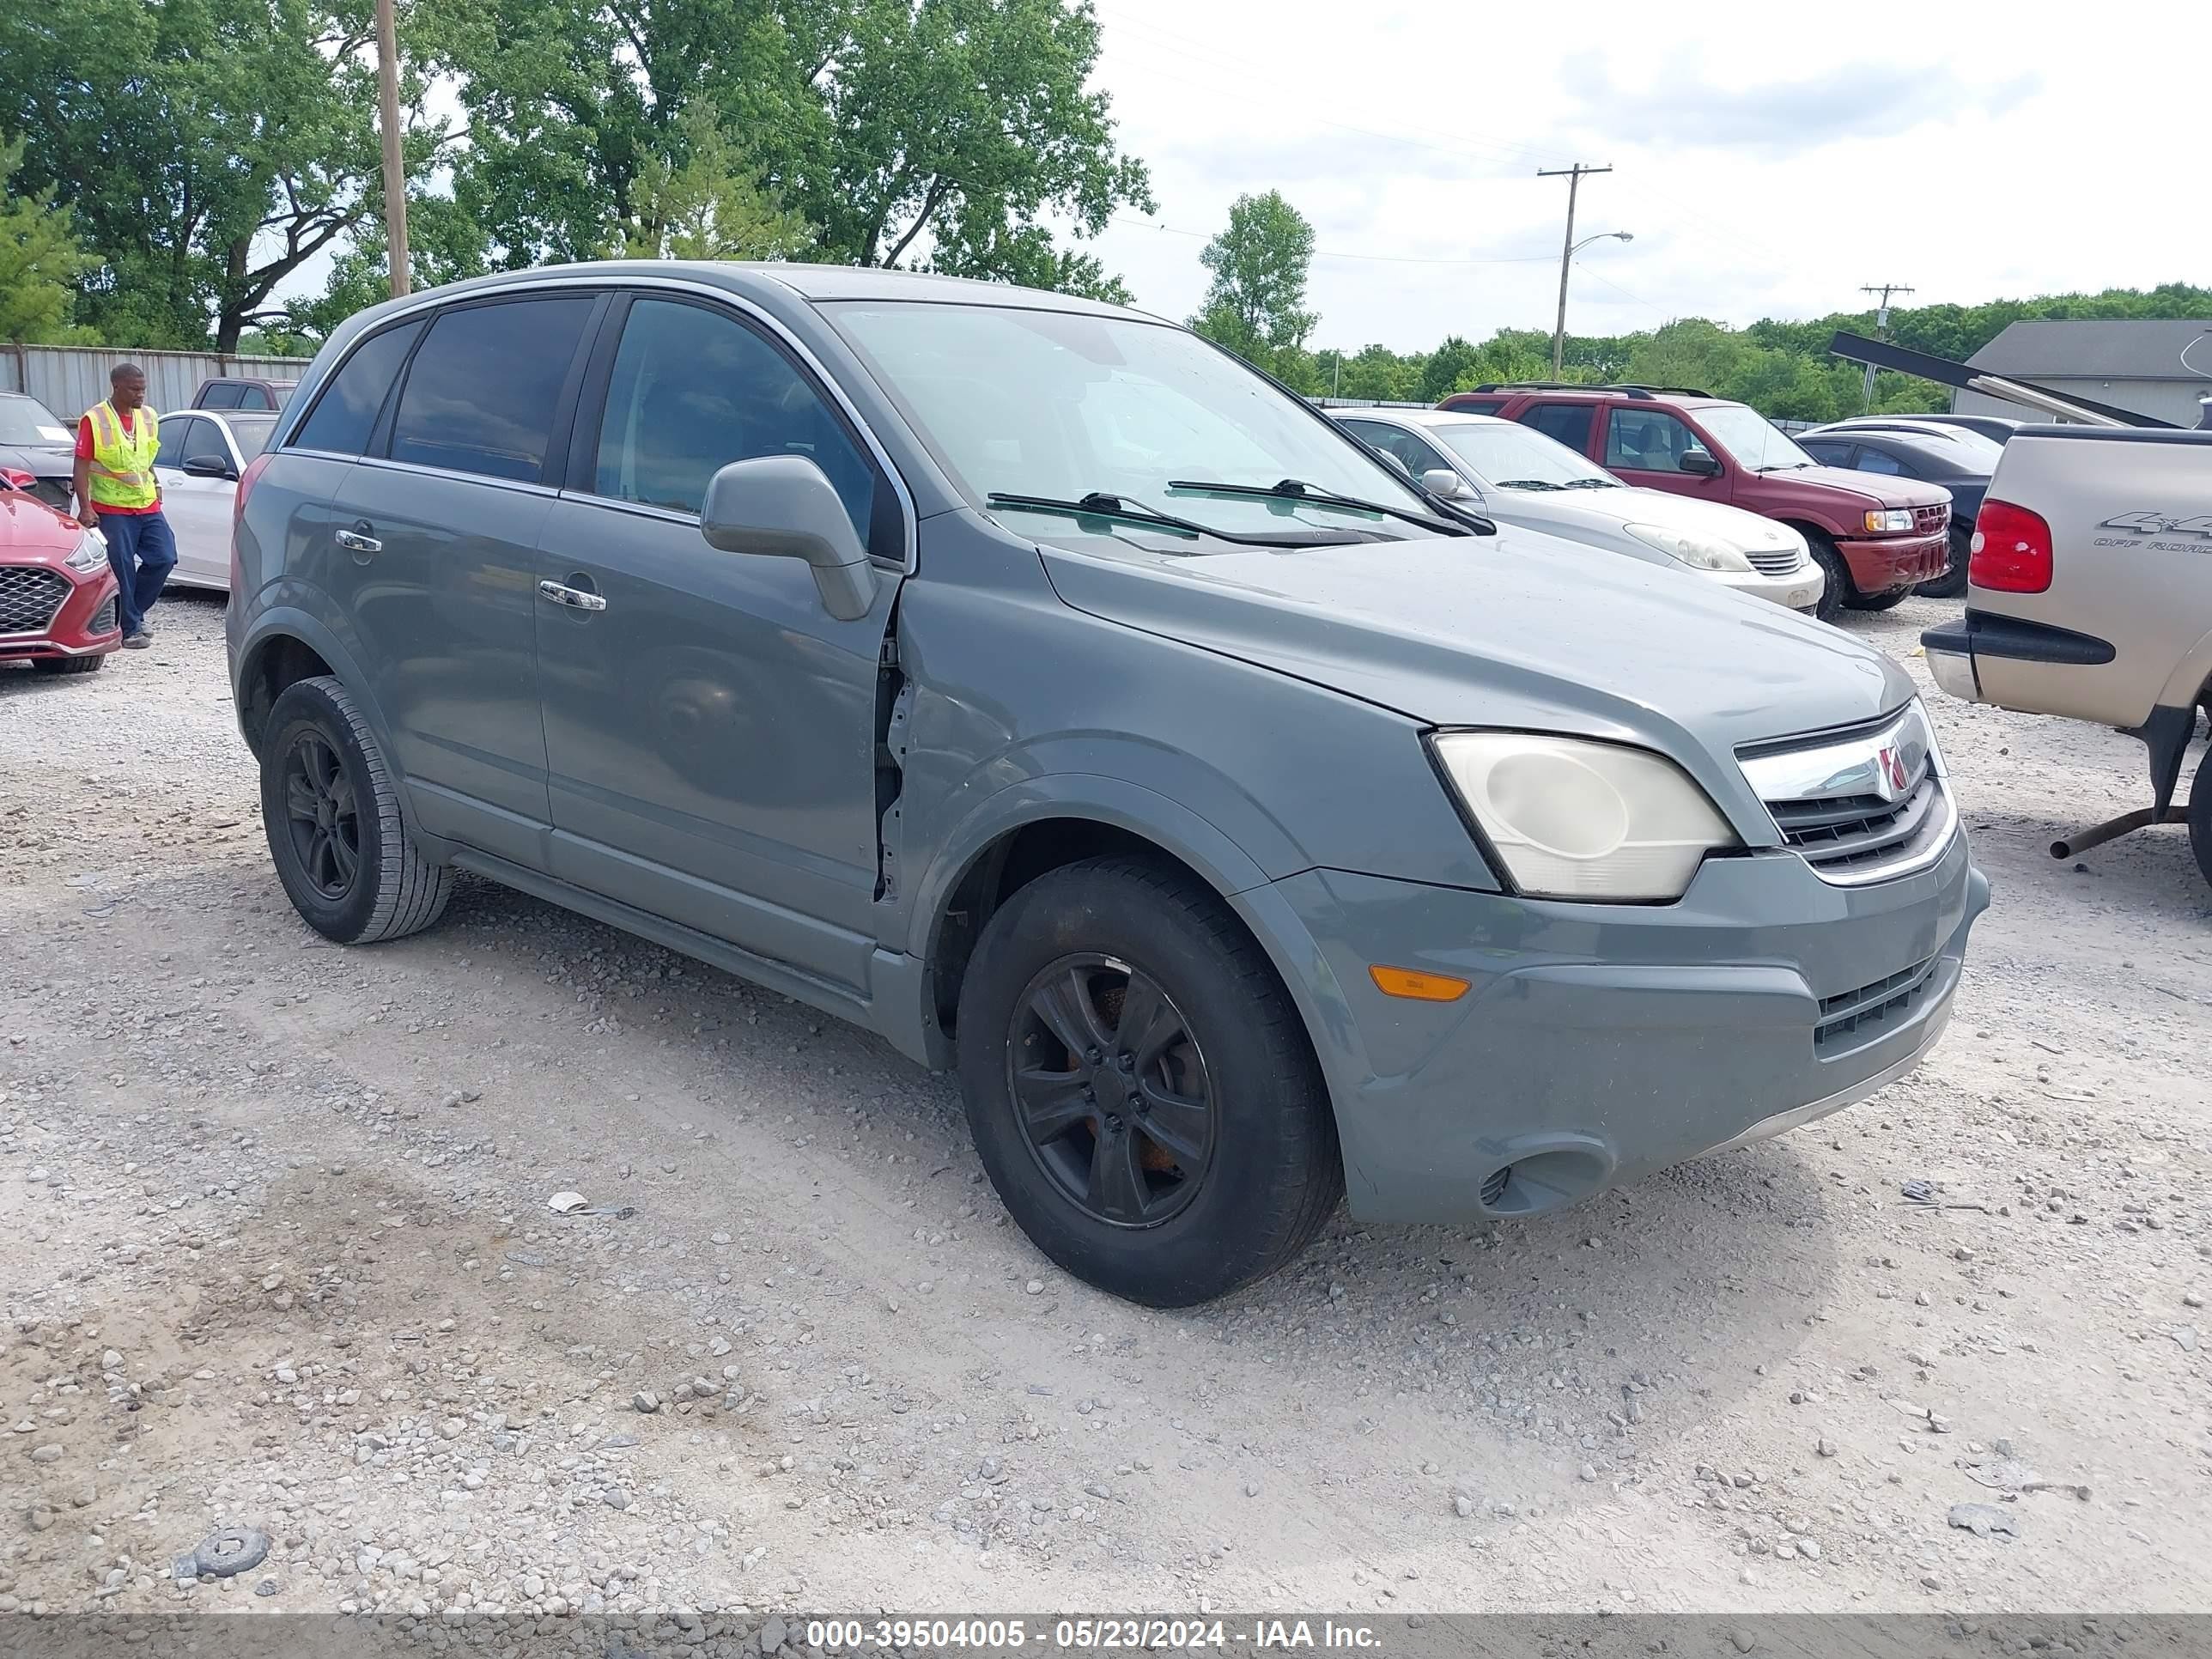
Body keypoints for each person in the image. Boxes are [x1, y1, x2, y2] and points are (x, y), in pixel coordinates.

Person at [73, 362, 176, 649]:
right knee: (122, 567)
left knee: (164, 558)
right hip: (111, 507)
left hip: (147, 505)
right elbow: (80, 465)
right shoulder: (94, 419)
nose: (140, 394)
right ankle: (129, 628)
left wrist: (155, 486)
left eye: (143, 388)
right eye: (134, 389)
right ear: (116, 386)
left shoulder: (149, 417)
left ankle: (132, 613)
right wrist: (85, 507)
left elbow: (145, 458)